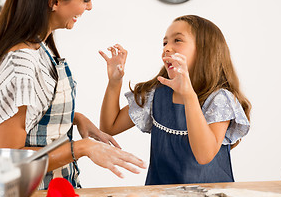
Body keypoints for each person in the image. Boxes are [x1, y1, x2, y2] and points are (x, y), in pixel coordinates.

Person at [0, 0, 146, 190]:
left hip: (53, 196)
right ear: (55, 1)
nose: (89, 7)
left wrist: (75, 118)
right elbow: (8, 161)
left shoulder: (39, 47)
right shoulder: (21, 67)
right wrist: (81, 148)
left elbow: (34, 116)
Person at [99, 15, 251, 185]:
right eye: (165, 43)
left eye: (177, 40)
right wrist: (114, 82)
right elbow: (109, 127)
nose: (167, 48)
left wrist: (189, 96)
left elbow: (204, 156)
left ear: (205, 50)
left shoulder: (219, 99)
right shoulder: (155, 94)